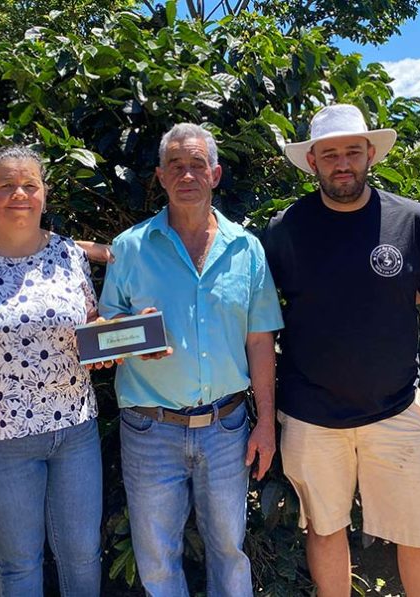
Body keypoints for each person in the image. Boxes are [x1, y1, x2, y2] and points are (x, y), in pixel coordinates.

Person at [262, 104, 420, 597]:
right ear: (312, 160)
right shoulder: (285, 229)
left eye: (352, 152)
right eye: (330, 153)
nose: (342, 163)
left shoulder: (412, 220)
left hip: (397, 410)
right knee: (324, 528)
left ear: (370, 154)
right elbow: (257, 322)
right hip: (311, 416)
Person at [98, 123, 284, 596]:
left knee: (229, 551)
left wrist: (264, 423)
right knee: (158, 559)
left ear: (215, 174)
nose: (187, 174)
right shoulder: (129, 248)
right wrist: (131, 334)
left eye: (196, 164)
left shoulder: (247, 249)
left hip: (227, 428)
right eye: (176, 165)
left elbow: (260, 340)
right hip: (150, 430)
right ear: (160, 176)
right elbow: (100, 340)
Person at [0, 145, 103, 596]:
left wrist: (122, 338)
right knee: (19, 565)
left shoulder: (67, 254)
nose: (19, 194)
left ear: (44, 193)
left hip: (75, 428)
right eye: (6, 186)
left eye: (30, 185)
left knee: (82, 556)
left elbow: (89, 325)